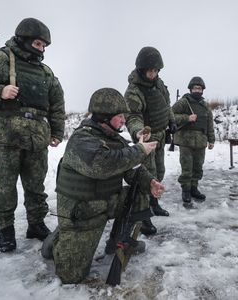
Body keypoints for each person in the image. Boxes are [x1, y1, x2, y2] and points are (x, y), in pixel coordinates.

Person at [41, 88, 165, 284]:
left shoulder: (115, 139)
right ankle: (59, 238)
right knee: (71, 276)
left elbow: (129, 169)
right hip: (82, 212)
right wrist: (139, 151)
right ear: (104, 117)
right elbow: (102, 165)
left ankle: (120, 244)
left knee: (139, 194)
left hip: (107, 201)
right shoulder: (82, 139)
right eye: (119, 116)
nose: (124, 120)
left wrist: (150, 182)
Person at [0, 18, 65, 252]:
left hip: (37, 138)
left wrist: (57, 131)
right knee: (4, 186)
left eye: (44, 45)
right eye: (37, 43)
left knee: (36, 185)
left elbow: (57, 103)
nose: (41, 49)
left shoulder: (45, 71)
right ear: (23, 39)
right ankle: (5, 229)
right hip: (5, 136)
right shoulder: (0, 59)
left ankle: (36, 223)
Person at [124, 46, 177, 235]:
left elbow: (166, 105)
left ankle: (154, 203)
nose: (153, 74)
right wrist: (139, 132)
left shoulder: (159, 84)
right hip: (147, 139)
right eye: (149, 71)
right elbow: (132, 116)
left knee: (160, 171)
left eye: (155, 71)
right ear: (141, 69)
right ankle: (143, 216)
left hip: (161, 135)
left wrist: (171, 120)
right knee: (148, 175)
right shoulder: (134, 91)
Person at [172, 76, 215, 208]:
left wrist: (211, 139)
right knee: (187, 168)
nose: (197, 90)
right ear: (190, 89)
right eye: (195, 88)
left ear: (202, 90)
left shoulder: (205, 106)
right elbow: (170, 114)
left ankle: (194, 189)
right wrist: (187, 117)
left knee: (197, 167)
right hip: (186, 140)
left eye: (200, 88)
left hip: (201, 141)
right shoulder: (184, 102)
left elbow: (209, 124)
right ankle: (186, 190)